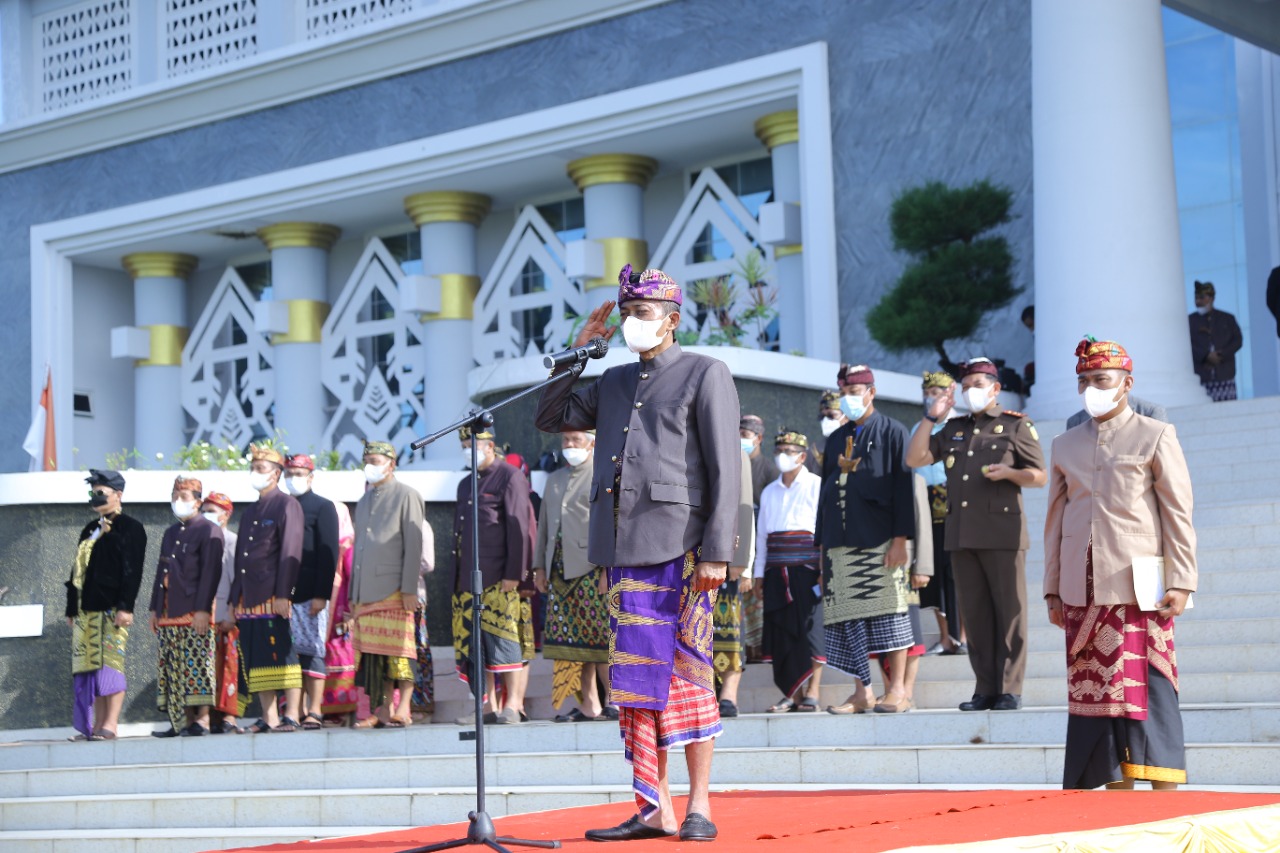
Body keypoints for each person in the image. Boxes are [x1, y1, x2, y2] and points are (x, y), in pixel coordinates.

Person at [536, 264, 740, 843]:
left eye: (642, 313)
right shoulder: (616, 381)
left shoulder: (706, 372)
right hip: (622, 555)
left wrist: (717, 553)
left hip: (683, 551)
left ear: (672, 321)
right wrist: (578, 354)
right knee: (635, 685)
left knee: (689, 680)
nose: (631, 323)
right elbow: (550, 417)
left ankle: (699, 803)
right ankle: (656, 807)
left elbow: (728, 471)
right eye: (626, 313)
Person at [1044, 337, 1197, 790]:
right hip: (1080, 590)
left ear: (1126, 383)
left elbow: (1177, 511)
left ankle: (1165, 798)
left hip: (1140, 588)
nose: (1092, 388)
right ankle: (1113, 798)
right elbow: (1055, 522)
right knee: (1094, 697)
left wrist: (1183, 580)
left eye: (1102, 380)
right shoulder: (1063, 444)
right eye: (1085, 381)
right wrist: (1052, 588)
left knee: (1150, 692)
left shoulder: (1156, 434)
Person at [905, 357, 1046, 712]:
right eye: (966, 386)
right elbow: (916, 458)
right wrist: (931, 417)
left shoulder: (1015, 425)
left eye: (978, 385)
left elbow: (1039, 475)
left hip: (1003, 534)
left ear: (996, 389)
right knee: (977, 615)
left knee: (1010, 614)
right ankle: (985, 687)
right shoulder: (953, 428)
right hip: (962, 535)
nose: (971, 392)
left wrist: (1010, 475)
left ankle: (1010, 688)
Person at [816, 364, 915, 715]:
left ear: (871, 392)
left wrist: (901, 540)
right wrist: (821, 549)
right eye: (845, 393)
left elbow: (904, 490)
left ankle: (899, 690)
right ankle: (862, 692)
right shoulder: (834, 438)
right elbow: (825, 496)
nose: (849, 399)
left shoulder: (893, 432)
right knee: (848, 620)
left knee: (891, 614)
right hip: (839, 543)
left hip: (882, 540)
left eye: (855, 393)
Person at [453, 426, 534, 726]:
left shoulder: (510, 476)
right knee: (478, 646)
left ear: (490, 446)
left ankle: (513, 704)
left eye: (473, 443)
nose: (467, 449)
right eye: (463, 444)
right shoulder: (465, 484)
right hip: (469, 580)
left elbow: (519, 528)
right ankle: (487, 706)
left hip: (502, 578)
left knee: (508, 642)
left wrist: (515, 573)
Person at [225, 445, 304, 733]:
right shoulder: (250, 512)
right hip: (249, 596)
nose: (255, 473)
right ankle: (268, 716)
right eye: (253, 468)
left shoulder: (287, 505)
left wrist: (284, 594)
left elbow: (289, 551)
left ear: (276, 473)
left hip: (273, 593)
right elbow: (241, 559)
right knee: (256, 656)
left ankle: (292, 714)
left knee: (283, 654)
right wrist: (234, 599)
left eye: (261, 468)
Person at [536, 430, 612, 722]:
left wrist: (609, 569)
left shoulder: (602, 474)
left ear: (592, 443)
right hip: (559, 571)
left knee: (602, 639)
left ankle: (615, 701)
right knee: (573, 644)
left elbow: (611, 525)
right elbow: (544, 526)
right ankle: (589, 705)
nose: (569, 445)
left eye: (575, 440)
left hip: (592, 568)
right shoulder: (555, 479)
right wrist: (540, 568)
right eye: (565, 440)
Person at [349, 440, 425, 729]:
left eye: (376, 460)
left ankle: (403, 708)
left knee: (401, 653)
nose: (370, 464)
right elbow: (359, 551)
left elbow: (413, 545)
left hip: (394, 589)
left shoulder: (407, 495)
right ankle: (382, 710)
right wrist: (354, 595)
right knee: (372, 657)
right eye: (367, 459)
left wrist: (409, 589)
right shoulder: (364, 499)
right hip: (365, 593)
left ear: (392, 464)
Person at [65, 469, 146, 741]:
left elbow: (132, 571)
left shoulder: (131, 527)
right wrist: (70, 608)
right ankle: (94, 725)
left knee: (110, 666)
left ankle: (110, 724)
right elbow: (76, 571)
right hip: (86, 610)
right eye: (93, 492)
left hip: (112, 609)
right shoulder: (89, 529)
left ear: (118, 495)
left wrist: (126, 606)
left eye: (102, 492)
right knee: (90, 669)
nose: (96, 497)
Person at [756, 429, 825, 713]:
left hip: (807, 568)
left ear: (802, 456)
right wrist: (759, 573)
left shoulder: (816, 485)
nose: (783, 455)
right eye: (779, 450)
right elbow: (761, 535)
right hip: (775, 569)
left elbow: (823, 530)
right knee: (781, 632)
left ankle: (813, 691)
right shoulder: (769, 490)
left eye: (789, 451)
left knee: (810, 630)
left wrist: (824, 568)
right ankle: (791, 694)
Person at [149, 475, 224, 737]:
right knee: (173, 667)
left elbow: (211, 573)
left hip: (195, 610)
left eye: (183, 497)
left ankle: (201, 720)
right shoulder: (171, 532)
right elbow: (161, 572)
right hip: (169, 612)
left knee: (197, 665)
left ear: (198, 502)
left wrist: (204, 609)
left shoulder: (209, 530)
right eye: (174, 496)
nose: (178, 501)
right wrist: (154, 609)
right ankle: (179, 721)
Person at [280, 454, 340, 730]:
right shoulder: (282, 507)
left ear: (311, 477)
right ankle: (294, 710)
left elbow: (329, 554)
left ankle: (314, 710)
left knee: (313, 652)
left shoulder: (323, 507)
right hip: (284, 597)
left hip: (311, 595)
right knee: (289, 655)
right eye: (289, 473)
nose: (294, 478)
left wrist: (322, 594)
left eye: (299, 473)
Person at [912, 372, 965, 656]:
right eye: (928, 391)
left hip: (958, 502)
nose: (932, 396)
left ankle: (964, 636)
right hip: (926, 504)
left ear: (951, 393)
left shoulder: (963, 426)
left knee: (958, 572)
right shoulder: (918, 429)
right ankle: (945, 638)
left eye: (938, 391)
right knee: (934, 577)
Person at [712, 449, 754, 717]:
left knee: (728, 627)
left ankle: (729, 695)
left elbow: (744, 505)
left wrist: (741, 560)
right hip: (689, 552)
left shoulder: (736, 452)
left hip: (726, 553)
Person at [201, 491, 243, 734]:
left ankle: (229, 716)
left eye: (212, 511)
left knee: (229, 667)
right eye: (204, 510)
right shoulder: (200, 541)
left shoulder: (232, 541)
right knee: (208, 668)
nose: (207, 515)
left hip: (225, 617)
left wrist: (232, 613)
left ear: (226, 515)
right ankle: (210, 716)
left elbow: (237, 580)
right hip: (201, 618)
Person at [738, 414, 775, 661]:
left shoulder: (770, 470)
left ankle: (759, 648)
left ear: (759, 438)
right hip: (737, 540)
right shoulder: (731, 463)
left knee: (757, 600)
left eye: (745, 435)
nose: (740, 439)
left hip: (760, 543)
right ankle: (746, 647)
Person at [1188, 280, 1243, 401]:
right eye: (1196, 297)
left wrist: (1221, 355)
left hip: (1225, 375)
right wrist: (1205, 356)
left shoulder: (1227, 319)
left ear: (1211, 298)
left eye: (1202, 297)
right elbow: (1187, 345)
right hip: (1202, 377)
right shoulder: (1189, 321)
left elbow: (1238, 341)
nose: (1198, 301)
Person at [1065, 396, 1168, 430]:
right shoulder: (1075, 422)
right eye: (1083, 380)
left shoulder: (1151, 413)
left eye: (1100, 378)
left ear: (1127, 382)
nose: (1091, 385)